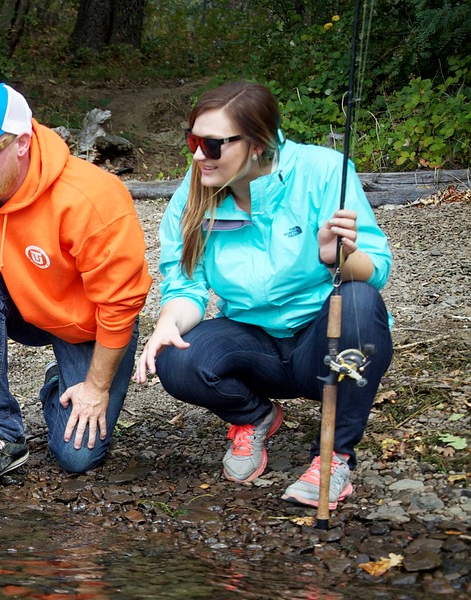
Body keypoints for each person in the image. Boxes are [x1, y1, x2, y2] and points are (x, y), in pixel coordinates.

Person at [135, 81, 393, 509]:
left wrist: (337, 257)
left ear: (256, 144)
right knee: (175, 355)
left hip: (321, 342)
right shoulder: (196, 188)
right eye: (193, 141)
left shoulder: (325, 171)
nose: (199, 156)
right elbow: (186, 286)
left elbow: (376, 271)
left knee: (360, 302)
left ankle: (334, 458)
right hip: (253, 343)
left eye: (212, 145)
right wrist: (167, 323)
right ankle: (255, 417)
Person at [0, 83, 152, 496]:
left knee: (77, 457)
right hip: (26, 305)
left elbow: (121, 304)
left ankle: (61, 379)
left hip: (90, 324)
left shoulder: (90, 197)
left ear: (22, 143)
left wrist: (94, 388)